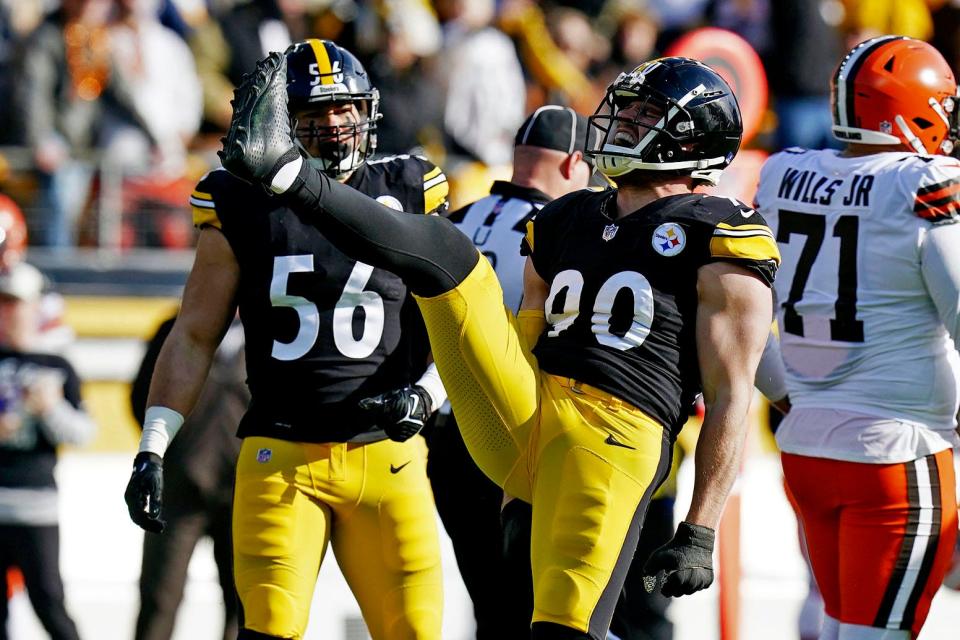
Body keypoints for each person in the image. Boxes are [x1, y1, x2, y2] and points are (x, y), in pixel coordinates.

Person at [218, 51, 780, 639]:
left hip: (612, 440)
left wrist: (700, 526)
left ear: (690, 141)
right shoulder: (566, 216)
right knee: (449, 257)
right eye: (628, 111)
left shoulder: (720, 228)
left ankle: (289, 174)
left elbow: (731, 394)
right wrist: (517, 489)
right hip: (531, 420)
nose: (622, 124)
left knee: (560, 632)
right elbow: (526, 344)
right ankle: (287, 172)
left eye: (644, 116)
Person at [124, 39, 450, 640]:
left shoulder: (410, 185)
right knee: (268, 628)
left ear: (366, 111)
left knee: (416, 633)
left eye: (344, 109)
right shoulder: (238, 200)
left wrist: (427, 392)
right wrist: (153, 445)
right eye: (313, 114)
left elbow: (453, 317)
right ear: (285, 123)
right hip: (282, 454)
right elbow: (194, 334)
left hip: (387, 451)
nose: (334, 125)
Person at [754, 35, 960, 640]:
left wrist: (786, 390)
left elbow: (737, 314)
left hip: (806, 448)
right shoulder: (924, 185)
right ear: (907, 107)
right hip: (899, 450)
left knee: (839, 628)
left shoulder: (783, 174)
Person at [431, 105, 594, 638]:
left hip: (451, 430)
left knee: (490, 610)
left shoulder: (459, 218)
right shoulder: (561, 230)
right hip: (522, 437)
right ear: (573, 164)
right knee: (541, 611)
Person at [129, 313, 246, 640]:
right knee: (159, 595)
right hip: (180, 485)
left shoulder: (272, 324)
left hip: (244, 486)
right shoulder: (174, 328)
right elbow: (143, 397)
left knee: (244, 601)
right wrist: (167, 451)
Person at [0, 261, 96, 640]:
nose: (8, 313)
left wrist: (50, 409)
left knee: (48, 601)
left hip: (35, 506)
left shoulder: (57, 365)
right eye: (3, 303)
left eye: (16, 304)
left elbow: (84, 433)